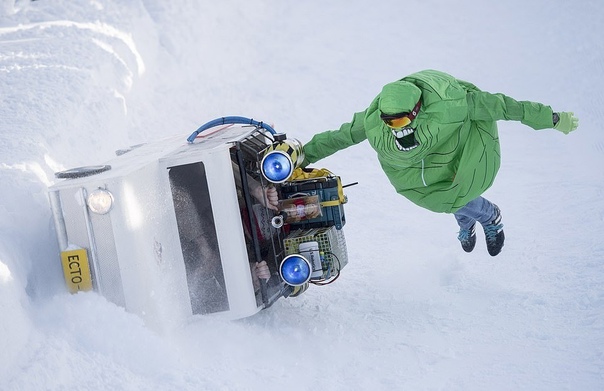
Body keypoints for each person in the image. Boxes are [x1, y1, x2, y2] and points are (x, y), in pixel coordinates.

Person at [301, 69, 578, 256]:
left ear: (417, 110)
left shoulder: (455, 106)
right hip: (411, 174)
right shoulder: (376, 121)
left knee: (455, 194)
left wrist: (551, 119)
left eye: (399, 121)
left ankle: (489, 215)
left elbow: (506, 106)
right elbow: (339, 136)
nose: (394, 128)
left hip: (450, 160)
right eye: (389, 122)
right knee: (438, 200)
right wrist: (302, 156)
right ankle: (466, 222)